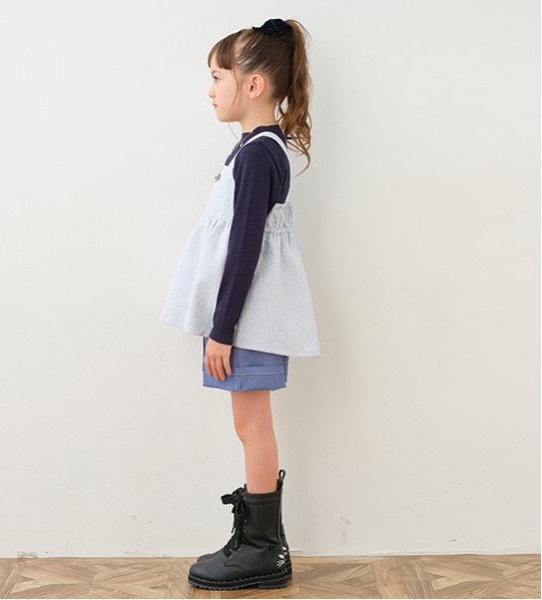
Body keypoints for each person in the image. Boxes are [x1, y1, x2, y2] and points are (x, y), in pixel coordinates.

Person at [159, 17, 321, 590]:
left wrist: (222, 329)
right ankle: (258, 543)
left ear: (252, 85)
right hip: (245, 318)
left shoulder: (257, 155)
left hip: (247, 320)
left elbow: (245, 248)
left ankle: (262, 549)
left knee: (252, 426)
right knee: (248, 424)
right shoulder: (254, 150)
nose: (209, 89)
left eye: (216, 77)